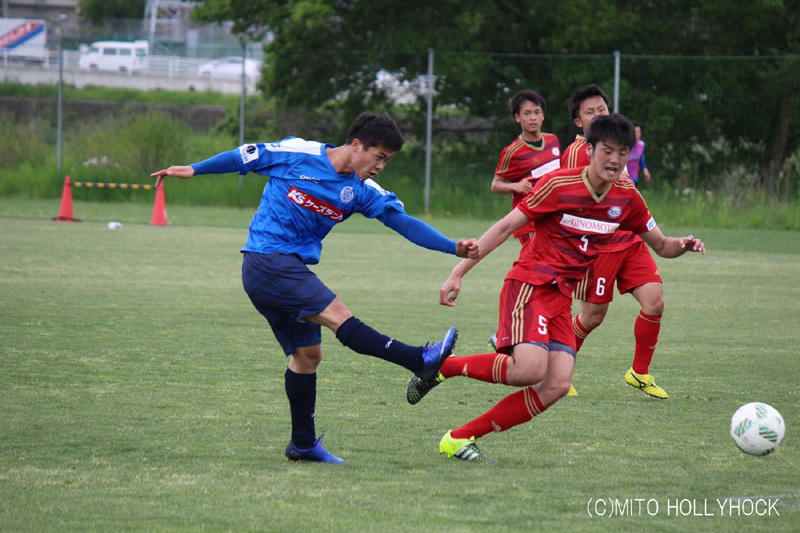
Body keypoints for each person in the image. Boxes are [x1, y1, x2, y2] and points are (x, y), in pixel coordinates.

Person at [151, 112, 479, 464]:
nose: (382, 166)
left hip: (286, 268)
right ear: (356, 145)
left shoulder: (362, 191)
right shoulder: (298, 153)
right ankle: (419, 360)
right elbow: (244, 157)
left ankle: (303, 445)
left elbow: (403, 223)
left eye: (388, 160)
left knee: (308, 357)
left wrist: (452, 247)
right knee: (340, 316)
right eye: (379, 157)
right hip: (268, 259)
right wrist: (194, 169)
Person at [407, 114, 705, 462]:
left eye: (622, 153)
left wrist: (682, 244)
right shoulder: (558, 185)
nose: (614, 160)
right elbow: (504, 228)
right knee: (530, 369)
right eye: (607, 150)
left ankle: (459, 438)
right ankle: (447, 367)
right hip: (530, 284)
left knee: (557, 385)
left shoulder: (627, 198)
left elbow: (662, 245)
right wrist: (458, 272)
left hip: (561, 296)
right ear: (589, 149)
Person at [561, 85, 669, 399]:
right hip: (598, 248)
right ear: (579, 122)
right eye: (590, 112)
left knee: (655, 301)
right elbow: (570, 203)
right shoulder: (575, 153)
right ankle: (558, 371)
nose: (597, 115)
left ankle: (640, 372)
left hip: (630, 240)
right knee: (593, 317)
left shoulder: (618, 145)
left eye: (602, 110)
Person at [491, 89, 561, 244]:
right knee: (536, 264)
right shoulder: (512, 152)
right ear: (517, 117)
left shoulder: (553, 141)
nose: (533, 118)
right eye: (527, 113)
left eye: (537, 112)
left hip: (553, 217)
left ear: (543, 115)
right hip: (527, 223)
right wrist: (515, 186)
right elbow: (495, 185)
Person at [627, 122, 652, 186]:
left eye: (639, 131)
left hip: (635, 179)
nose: (638, 134)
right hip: (624, 179)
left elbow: (641, 160)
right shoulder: (625, 146)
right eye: (636, 132)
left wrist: (645, 171)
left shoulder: (641, 145)